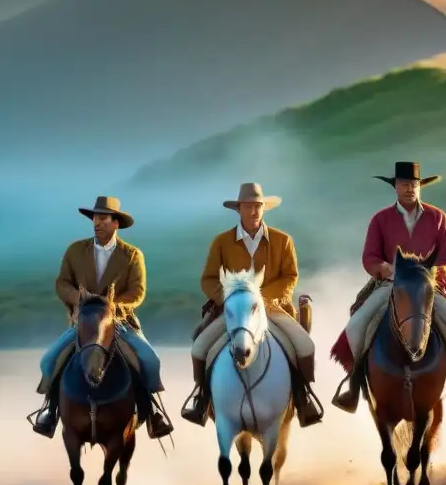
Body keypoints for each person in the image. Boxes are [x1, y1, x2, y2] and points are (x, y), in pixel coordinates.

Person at [330, 161, 446, 415]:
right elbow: (369, 257)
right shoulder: (380, 220)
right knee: (358, 324)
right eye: (405, 184)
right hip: (390, 286)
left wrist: (433, 275)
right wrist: (385, 268)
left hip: (429, 287)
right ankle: (353, 383)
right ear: (395, 187)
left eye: (414, 185)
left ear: (420, 187)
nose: (410, 189)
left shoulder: (439, 218)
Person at [180, 182, 324, 427]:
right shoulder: (221, 242)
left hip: (273, 309)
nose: (254, 211)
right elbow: (208, 279)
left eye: (258, 206)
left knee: (305, 345)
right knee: (200, 348)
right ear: (239, 210)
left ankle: (303, 397)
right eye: (248, 206)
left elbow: (290, 276)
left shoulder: (283, 240)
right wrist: (231, 299)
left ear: (264, 209)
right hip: (234, 312)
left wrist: (262, 297)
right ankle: (202, 399)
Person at [31, 196, 175, 439]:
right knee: (49, 361)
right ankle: (50, 412)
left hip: (118, 323)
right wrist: (79, 298)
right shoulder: (75, 250)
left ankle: (152, 414)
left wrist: (113, 306)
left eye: (104, 218)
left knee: (151, 360)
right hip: (84, 324)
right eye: (95, 218)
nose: (98, 223)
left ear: (115, 223)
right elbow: (62, 283)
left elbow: (137, 292)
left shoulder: (132, 255)